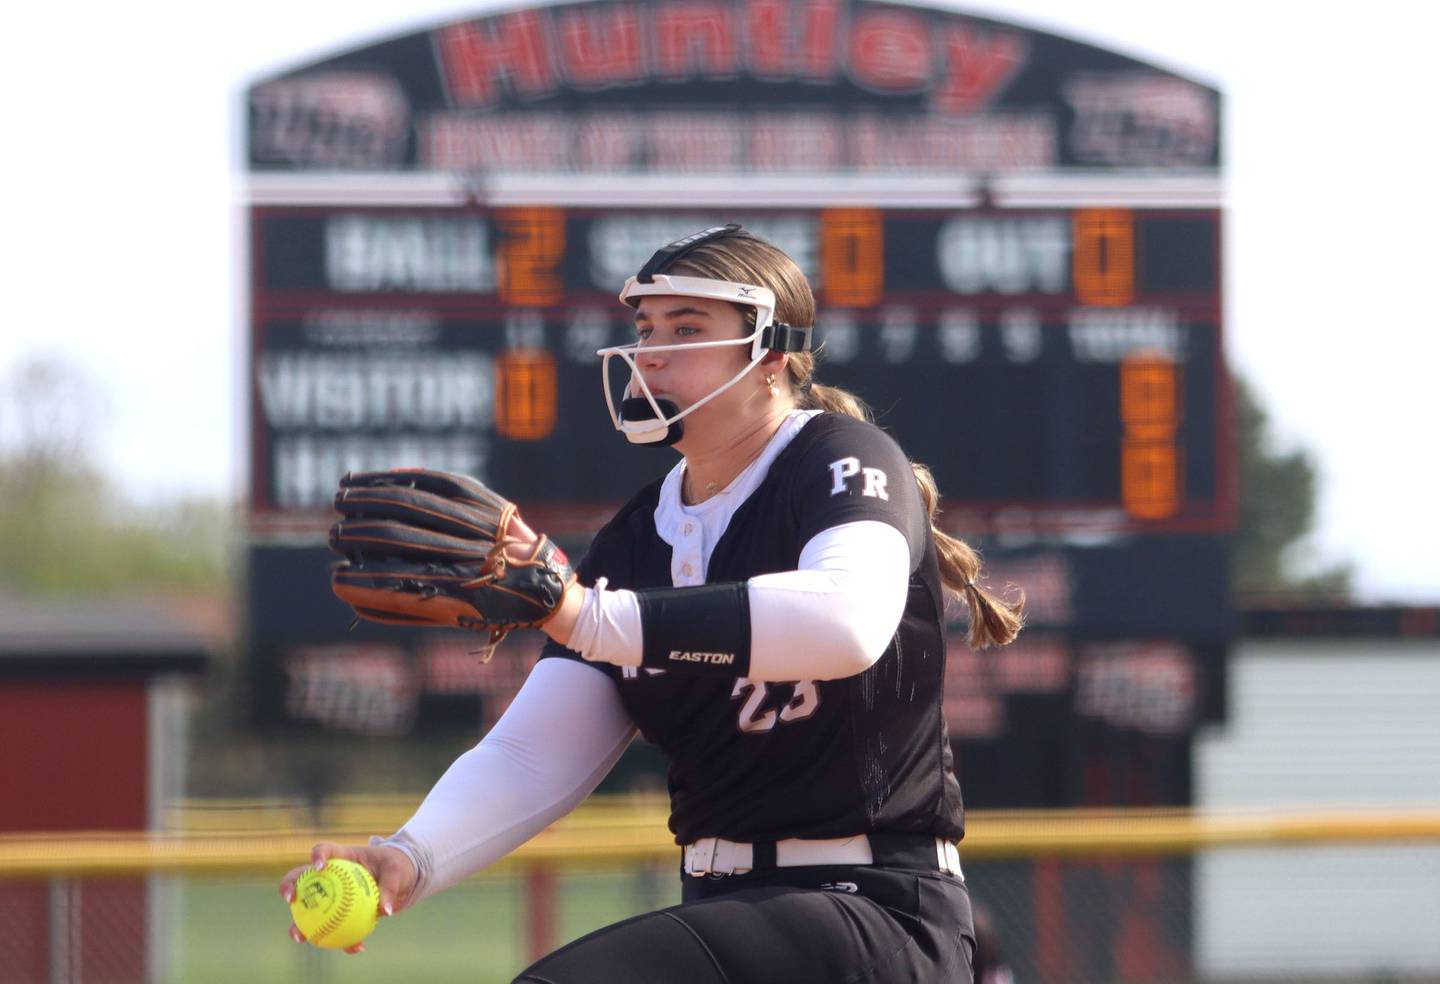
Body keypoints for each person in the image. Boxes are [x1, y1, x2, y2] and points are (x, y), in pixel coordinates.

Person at [280, 224, 1024, 982]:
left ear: (771, 354)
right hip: (722, 905)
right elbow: (534, 753)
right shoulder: (638, 538)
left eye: (688, 327)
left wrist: (585, 615)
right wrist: (411, 855)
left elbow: (846, 622)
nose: (652, 351)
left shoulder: (839, 459)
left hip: (872, 912)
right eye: (646, 329)